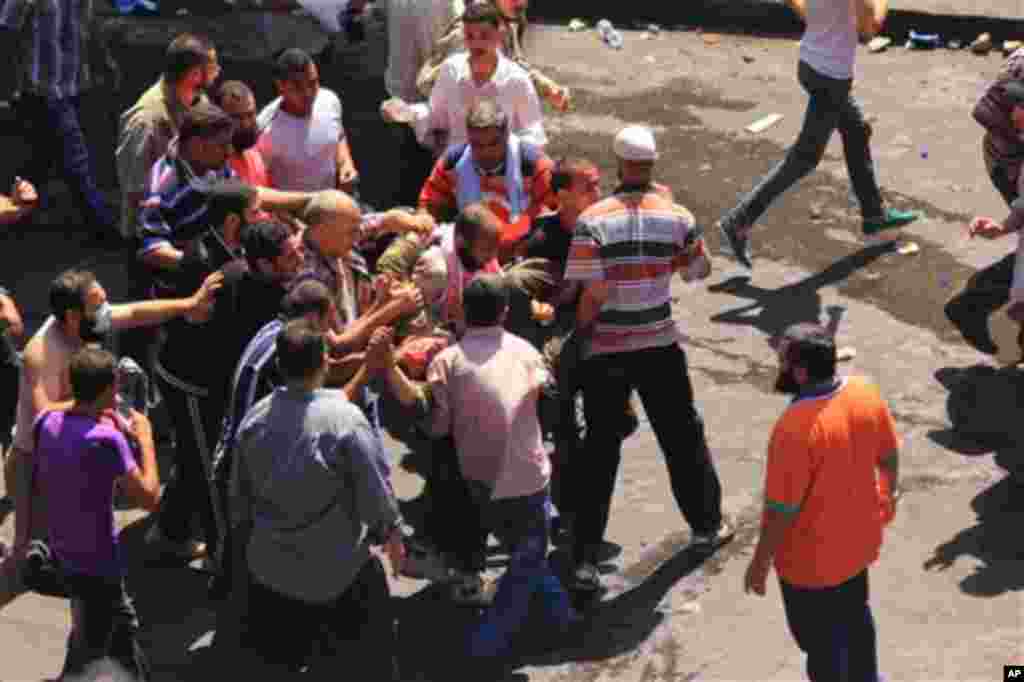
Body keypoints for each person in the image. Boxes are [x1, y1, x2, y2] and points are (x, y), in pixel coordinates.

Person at [562, 126, 730, 595]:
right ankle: (706, 526)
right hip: (659, 345)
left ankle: (585, 561)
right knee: (681, 435)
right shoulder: (676, 216)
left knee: (599, 452)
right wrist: (667, 258)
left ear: (618, 164)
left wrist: (583, 337)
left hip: (607, 351)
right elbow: (700, 270)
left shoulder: (592, 220)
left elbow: (591, 293)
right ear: (652, 165)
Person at [0, 267, 220, 611]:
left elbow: (134, 312)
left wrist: (189, 303)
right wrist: (100, 397)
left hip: (65, 459)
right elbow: (45, 416)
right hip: (31, 466)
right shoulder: (41, 352)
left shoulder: (87, 322)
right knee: (22, 556)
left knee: (54, 553)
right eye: (98, 304)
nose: (107, 310)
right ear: (74, 316)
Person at [231, 319, 404, 678]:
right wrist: (392, 534)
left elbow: (239, 501)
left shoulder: (253, 420)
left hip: (270, 572)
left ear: (278, 366)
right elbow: (376, 497)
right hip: (337, 574)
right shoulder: (345, 421)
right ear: (325, 362)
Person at [744, 322, 900, 682]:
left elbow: (781, 510)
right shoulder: (864, 393)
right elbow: (889, 455)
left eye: (782, 360)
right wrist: (888, 494)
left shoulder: (794, 430)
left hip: (809, 562)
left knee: (820, 645)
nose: (778, 366)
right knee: (856, 617)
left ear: (799, 371)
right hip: (859, 540)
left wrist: (760, 562)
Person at [717, 0, 918, 270]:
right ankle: (739, 220)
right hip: (831, 76)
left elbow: (798, 5)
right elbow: (869, 29)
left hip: (811, 63)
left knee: (856, 131)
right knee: (805, 158)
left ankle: (874, 214)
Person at [145, 180, 270, 564]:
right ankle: (220, 555)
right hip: (193, 381)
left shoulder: (232, 250)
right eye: (255, 213)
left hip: (210, 375)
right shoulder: (204, 263)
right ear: (233, 221)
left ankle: (170, 530)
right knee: (207, 466)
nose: (261, 218)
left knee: (193, 457)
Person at [30, 346, 161, 680]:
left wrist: (103, 413)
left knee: (88, 629)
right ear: (107, 390)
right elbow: (149, 497)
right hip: (100, 564)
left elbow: (58, 411)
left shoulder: (46, 422)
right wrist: (145, 439)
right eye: (115, 387)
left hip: (65, 553)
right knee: (118, 639)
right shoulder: (106, 440)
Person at [0, 0, 119, 244]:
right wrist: (7, 88)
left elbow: (89, 27)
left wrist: (106, 63)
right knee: (76, 162)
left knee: (40, 159)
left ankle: (16, 217)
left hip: (75, 85)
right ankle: (104, 230)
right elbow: (6, 34)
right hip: (40, 90)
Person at [418, 98, 555, 263]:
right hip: (464, 250)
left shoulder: (536, 165)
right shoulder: (451, 163)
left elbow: (549, 218)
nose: (486, 151)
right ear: (468, 138)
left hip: (521, 253)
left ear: (506, 135)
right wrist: (423, 223)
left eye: (493, 143)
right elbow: (428, 205)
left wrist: (504, 241)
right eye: (477, 144)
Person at [382, 0, 568, 119]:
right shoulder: (470, 30)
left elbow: (515, 64)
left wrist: (547, 88)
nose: (520, 3)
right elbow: (429, 85)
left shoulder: (506, 21)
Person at [401, 2, 546, 152]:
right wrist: (408, 112)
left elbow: (533, 132)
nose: (477, 43)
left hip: (502, 171)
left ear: (499, 35)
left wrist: (508, 157)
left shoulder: (517, 78)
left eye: (484, 36)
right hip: (458, 169)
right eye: (470, 36)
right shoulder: (451, 70)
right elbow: (437, 115)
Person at [946, 77, 1024, 354]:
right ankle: (974, 304)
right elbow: (986, 110)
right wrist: (1003, 227)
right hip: (1009, 165)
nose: (1014, 115)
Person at [117, 34, 219, 241]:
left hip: (186, 226)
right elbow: (136, 192)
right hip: (154, 239)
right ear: (195, 74)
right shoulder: (146, 122)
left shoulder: (199, 103)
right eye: (213, 65)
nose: (218, 70)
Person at [256, 49, 358, 193]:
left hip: (336, 204)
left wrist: (345, 164)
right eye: (298, 87)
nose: (308, 93)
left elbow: (339, 136)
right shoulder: (264, 129)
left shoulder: (329, 100)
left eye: (313, 83)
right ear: (280, 86)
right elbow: (260, 187)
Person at [215, 80, 271, 188]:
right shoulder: (216, 166)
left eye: (250, 115)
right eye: (236, 118)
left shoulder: (256, 155)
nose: (245, 124)